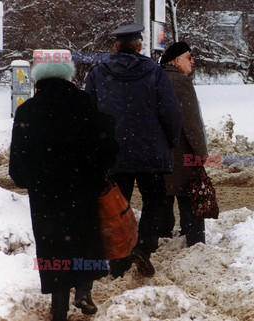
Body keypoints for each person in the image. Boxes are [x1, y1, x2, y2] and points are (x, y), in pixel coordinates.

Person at [9, 50, 118, 321]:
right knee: (84, 241)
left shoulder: (28, 111)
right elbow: (106, 148)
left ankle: (59, 309)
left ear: (38, 80)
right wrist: (93, 173)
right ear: (69, 76)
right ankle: (83, 291)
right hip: (82, 191)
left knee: (54, 247)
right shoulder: (83, 103)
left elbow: (17, 167)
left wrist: (33, 181)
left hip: (46, 197)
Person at [85, 24, 182, 278]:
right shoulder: (154, 72)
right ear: (139, 46)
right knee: (154, 201)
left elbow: (89, 116)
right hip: (151, 152)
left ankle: (119, 258)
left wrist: (97, 149)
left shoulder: (97, 74)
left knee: (117, 205)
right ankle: (144, 246)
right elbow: (170, 112)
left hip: (114, 154)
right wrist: (169, 142)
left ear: (115, 46)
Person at [158, 42, 209, 246]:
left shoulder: (157, 77)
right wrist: (200, 152)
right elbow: (191, 122)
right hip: (181, 152)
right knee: (190, 199)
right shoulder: (181, 81)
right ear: (177, 60)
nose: (192, 61)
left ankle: (160, 241)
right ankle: (195, 242)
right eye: (189, 57)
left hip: (159, 153)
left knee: (162, 202)